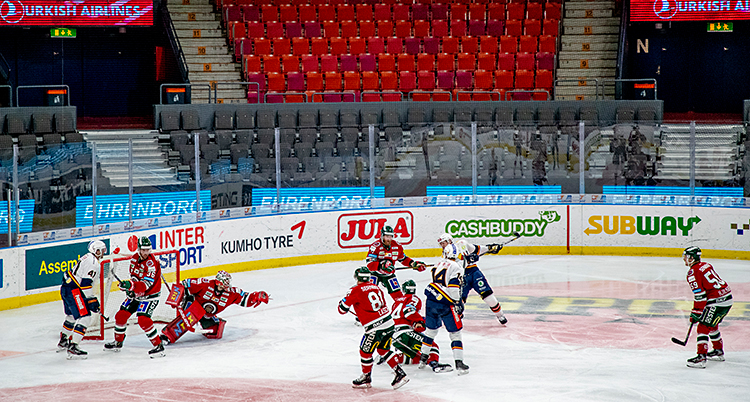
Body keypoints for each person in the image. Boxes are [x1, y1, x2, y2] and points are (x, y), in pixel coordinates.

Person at [338, 267, 409, 390]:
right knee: (383, 350)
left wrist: (342, 304)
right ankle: (400, 373)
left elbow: (342, 310)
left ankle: (366, 377)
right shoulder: (376, 287)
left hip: (375, 328)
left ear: (357, 277)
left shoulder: (355, 290)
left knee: (365, 351)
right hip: (389, 323)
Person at [159, 270, 269, 344]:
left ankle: (207, 321)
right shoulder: (205, 284)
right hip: (192, 305)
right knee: (194, 314)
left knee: (216, 332)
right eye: (224, 282)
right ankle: (167, 336)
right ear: (218, 282)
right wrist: (176, 297)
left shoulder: (230, 294)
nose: (226, 285)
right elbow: (184, 284)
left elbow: (244, 298)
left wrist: (255, 297)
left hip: (207, 314)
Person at [104, 236, 166, 358]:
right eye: (143, 250)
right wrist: (127, 287)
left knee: (143, 320)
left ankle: (158, 346)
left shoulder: (151, 264)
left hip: (150, 296)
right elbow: (134, 277)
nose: (146, 252)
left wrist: (131, 286)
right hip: (137, 295)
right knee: (120, 316)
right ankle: (118, 342)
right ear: (138, 249)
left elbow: (145, 285)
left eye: (148, 250)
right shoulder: (134, 259)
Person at [419, 243, 469, 375]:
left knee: (430, 331)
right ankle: (459, 364)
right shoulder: (456, 267)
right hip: (445, 304)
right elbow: (453, 287)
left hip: (431, 301)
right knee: (455, 334)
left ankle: (423, 359)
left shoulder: (438, 264)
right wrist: (457, 302)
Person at [438, 233, 508, 325]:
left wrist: (490, 248)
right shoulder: (445, 254)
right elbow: (455, 266)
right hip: (461, 277)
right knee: (458, 301)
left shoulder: (462, 244)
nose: (442, 245)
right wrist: (467, 259)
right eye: (441, 244)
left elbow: (477, 249)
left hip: (474, 273)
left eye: (443, 243)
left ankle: (500, 315)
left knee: (488, 296)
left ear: (449, 240)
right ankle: (457, 318)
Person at [682, 246, 733, 369]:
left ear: (691, 258)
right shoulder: (706, 265)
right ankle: (718, 351)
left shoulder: (692, 273)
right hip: (727, 298)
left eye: (686, 256)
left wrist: (696, 312)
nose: (684, 259)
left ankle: (701, 357)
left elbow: (700, 296)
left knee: (703, 327)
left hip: (717, 302)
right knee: (712, 325)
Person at [389, 279, 453, 373]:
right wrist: (420, 321)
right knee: (432, 346)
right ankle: (435, 365)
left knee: (419, 357)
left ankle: (390, 357)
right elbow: (408, 312)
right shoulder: (414, 298)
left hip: (394, 335)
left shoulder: (397, 301)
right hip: (405, 333)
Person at [58, 240, 106, 359]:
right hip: (73, 290)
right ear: (97, 250)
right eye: (102, 250)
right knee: (85, 317)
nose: (104, 252)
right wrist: (91, 300)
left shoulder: (87, 257)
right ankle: (74, 346)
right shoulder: (93, 262)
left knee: (71, 316)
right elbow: (85, 284)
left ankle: (64, 340)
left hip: (66, 287)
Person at [365, 225, 427, 301]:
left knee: (398, 297)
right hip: (375, 273)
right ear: (381, 236)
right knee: (368, 295)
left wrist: (414, 264)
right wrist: (381, 267)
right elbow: (370, 265)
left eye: (390, 237)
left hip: (389, 274)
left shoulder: (397, 246)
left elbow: (403, 259)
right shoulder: (375, 246)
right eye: (386, 236)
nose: (388, 239)